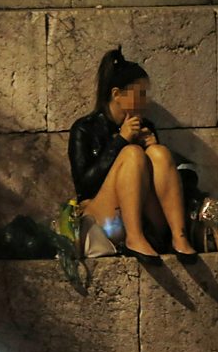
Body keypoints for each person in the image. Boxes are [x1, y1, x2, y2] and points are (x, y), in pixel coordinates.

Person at [68, 48, 197, 263]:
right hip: (105, 220)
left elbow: (164, 184)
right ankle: (134, 237)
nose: (145, 101)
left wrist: (151, 148)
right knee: (132, 154)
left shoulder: (147, 127)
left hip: (148, 216)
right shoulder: (85, 128)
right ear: (117, 94)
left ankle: (178, 236)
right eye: (140, 94)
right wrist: (120, 141)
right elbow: (84, 186)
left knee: (158, 153)